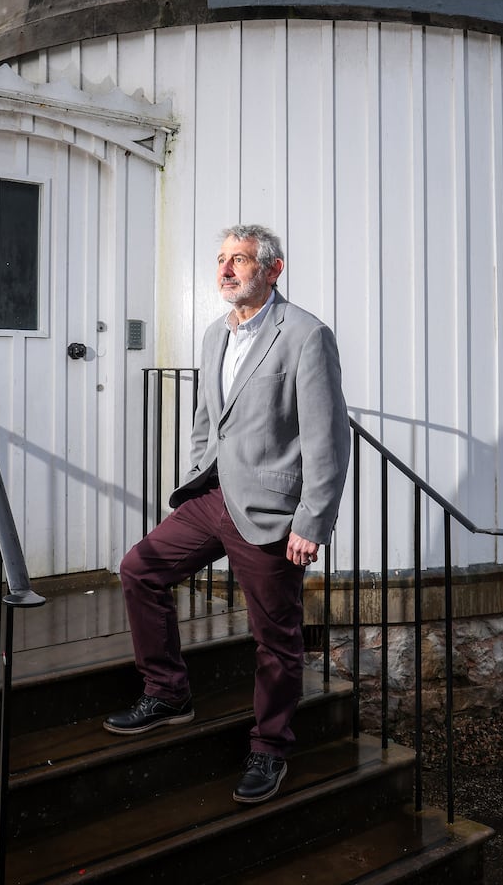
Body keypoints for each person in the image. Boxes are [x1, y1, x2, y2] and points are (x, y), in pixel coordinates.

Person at [105, 223, 351, 804]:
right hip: (212, 497)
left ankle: (270, 748)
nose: (225, 269)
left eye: (239, 260)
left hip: (270, 511)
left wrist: (311, 522)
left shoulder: (306, 336)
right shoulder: (216, 332)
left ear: (272, 269)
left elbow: (328, 438)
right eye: (220, 259)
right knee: (139, 569)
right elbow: (206, 418)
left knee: (276, 638)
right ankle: (168, 692)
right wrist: (197, 474)